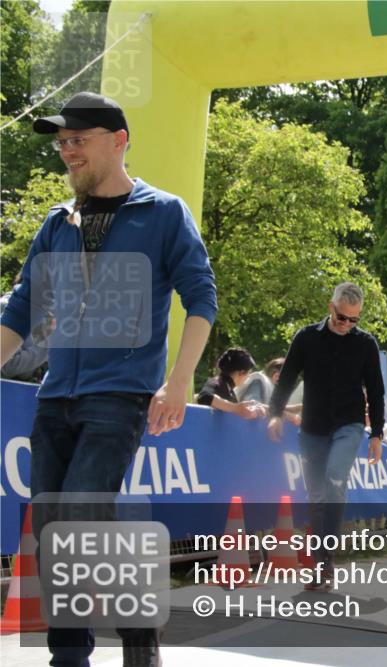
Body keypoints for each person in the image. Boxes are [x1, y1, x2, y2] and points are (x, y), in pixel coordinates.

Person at [0, 91, 217, 667]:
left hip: (118, 397)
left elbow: (201, 298)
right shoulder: (57, 222)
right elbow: (20, 312)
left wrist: (179, 382)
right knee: (53, 531)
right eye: (62, 143)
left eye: (78, 140)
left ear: (118, 140)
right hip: (55, 397)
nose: (67, 151)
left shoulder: (163, 213)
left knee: (79, 511)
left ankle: (129, 637)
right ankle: (72, 654)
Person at [267, 282, 385, 590]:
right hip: (313, 428)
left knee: (335, 479)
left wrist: (378, 434)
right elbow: (288, 377)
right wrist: (275, 413)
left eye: (354, 320)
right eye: (342, 317)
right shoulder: (306, 338)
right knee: (317, 496)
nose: (347, 324)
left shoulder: (366, 344)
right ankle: (323, 564)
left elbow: (376, 390)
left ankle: (326, 560)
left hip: (350, 424)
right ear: (330, 307)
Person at [196, 347, 262, 419]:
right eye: (248, 373)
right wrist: (235, 408)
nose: (248, 377)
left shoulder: (229, 388)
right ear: (241, 373)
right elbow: (204, 396)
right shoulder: (217, 381)